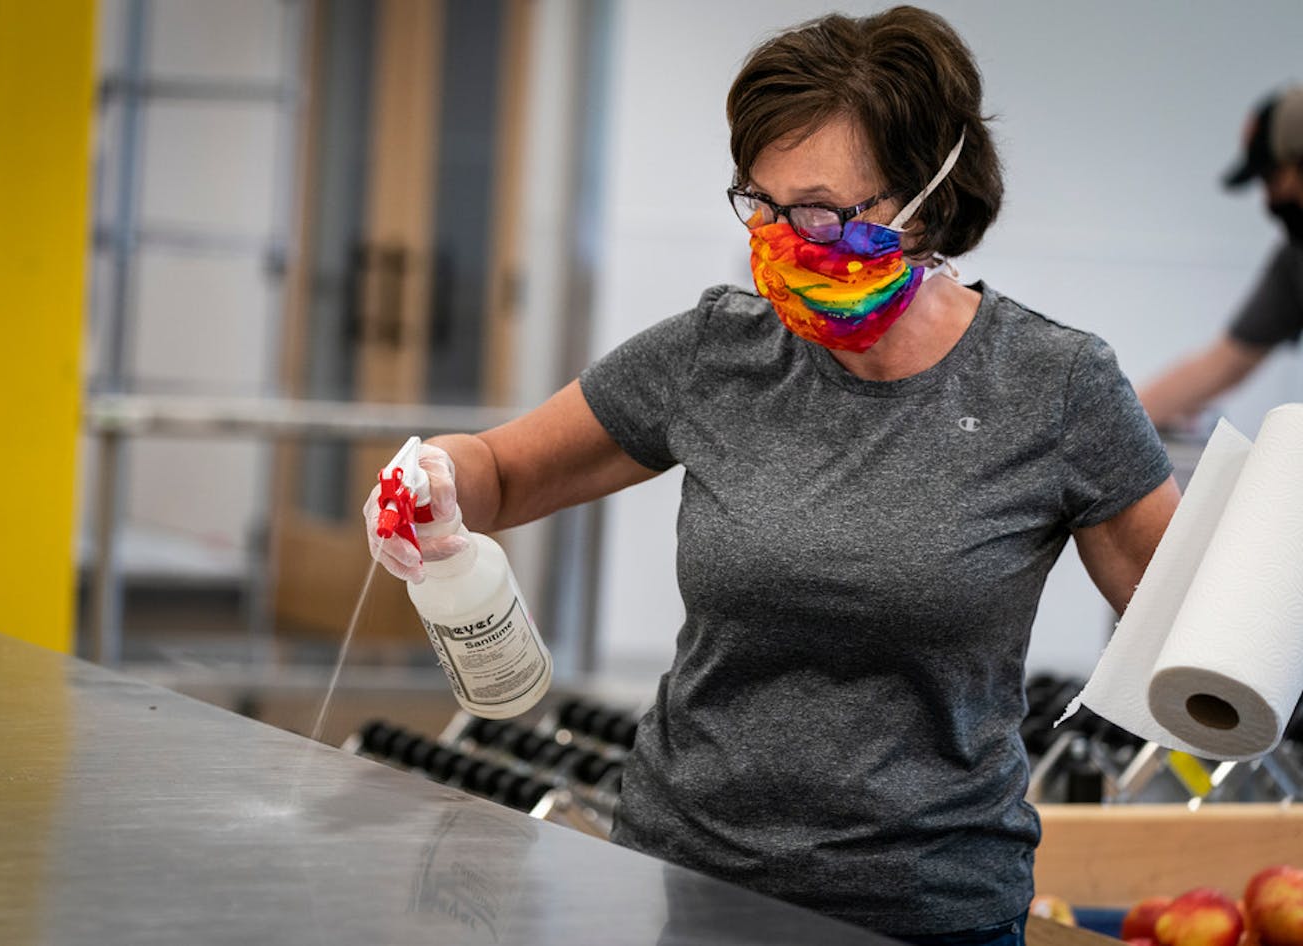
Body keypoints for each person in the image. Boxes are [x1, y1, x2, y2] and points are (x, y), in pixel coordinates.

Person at [364, 7, 1179, 943]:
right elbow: (503, 471)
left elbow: (1192, 631)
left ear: (927, 198)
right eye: (762, 204)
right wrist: (435, 478)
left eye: (824, 210)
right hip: (683, 883)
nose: (787, 241)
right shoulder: (719, 351)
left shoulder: (1054, 386)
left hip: (927, 911)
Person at [1138, 85, 1303, 429]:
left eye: (1273, 178)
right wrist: (1112, 422)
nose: (1272, 196)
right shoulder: (1295, 258)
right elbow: (1224, 363)